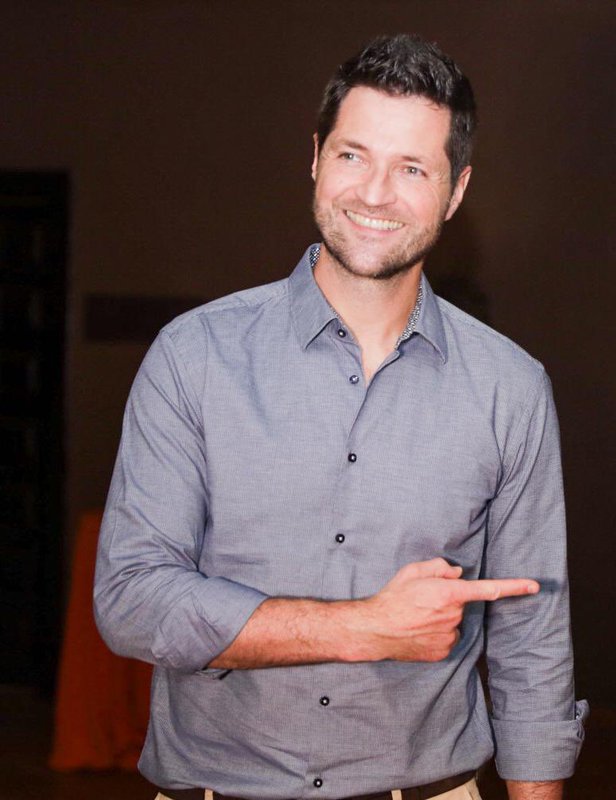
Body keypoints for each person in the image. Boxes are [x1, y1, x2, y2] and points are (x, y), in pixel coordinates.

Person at [93, 34, 585, 800]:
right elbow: (132, 600)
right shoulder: (192, 357)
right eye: (354, 156)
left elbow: (531, 647)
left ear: (454, 193)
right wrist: (364, 628)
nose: (375, 193)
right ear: (316, 157)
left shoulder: (510, 387)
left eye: (412, 168)